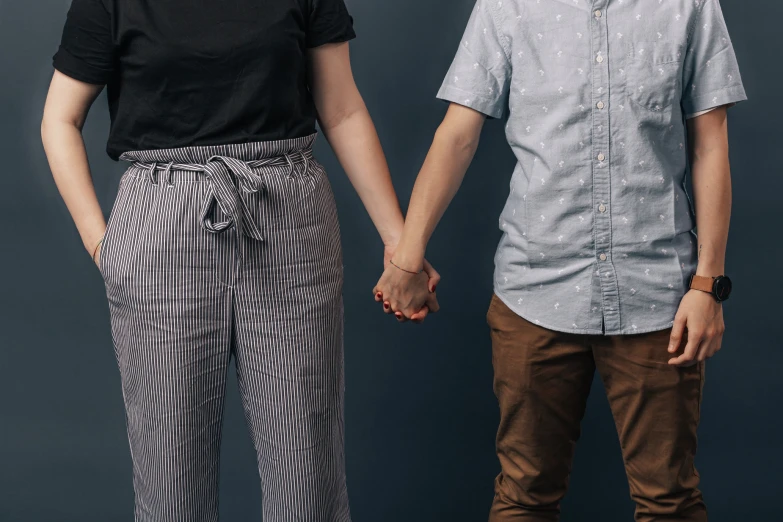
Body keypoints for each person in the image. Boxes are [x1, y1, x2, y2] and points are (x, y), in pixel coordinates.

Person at [40, 1, 439, 520]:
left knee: (307, 478)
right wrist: (103, 245)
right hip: (161, 225)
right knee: (170, 485)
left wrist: (398, 241)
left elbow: (341, 108)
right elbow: (59, 118)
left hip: (289, 220)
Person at [375, 0, 746, 520]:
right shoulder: (505, 7)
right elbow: (457, 135)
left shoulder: (689, 6)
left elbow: (710, 145)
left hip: (659, 297)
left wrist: (708, 286)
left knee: (671, 503)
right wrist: (407, 259)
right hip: (533, 294)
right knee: (524, 497)